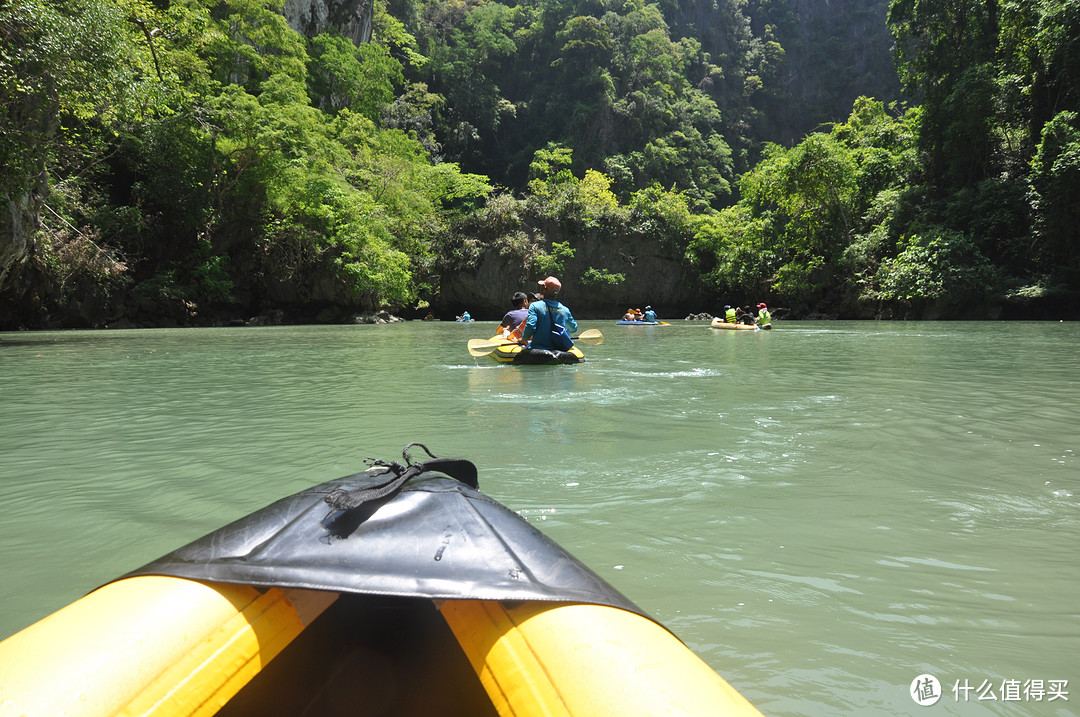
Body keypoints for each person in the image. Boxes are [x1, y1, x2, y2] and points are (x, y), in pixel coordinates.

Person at [521, 276, 578, 352]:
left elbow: (531, 326)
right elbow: (573, 328)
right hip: (559, 349)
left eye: (542, 287)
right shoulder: (565, 310)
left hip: (538, 349)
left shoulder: (535, 306)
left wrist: (524, 339)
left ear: (544, 290)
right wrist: (565, 335)